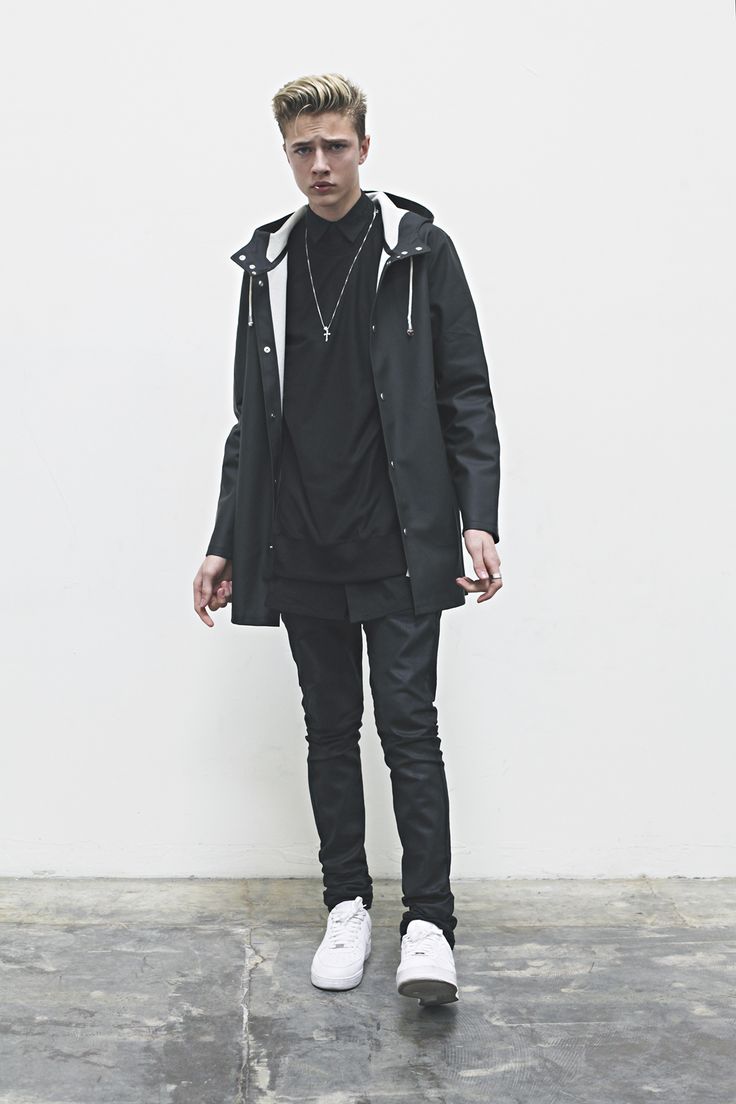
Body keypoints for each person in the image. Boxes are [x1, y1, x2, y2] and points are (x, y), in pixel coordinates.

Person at [192, 73, 502, 1007]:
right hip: (299, 539)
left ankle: (429, 924)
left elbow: (465, 392)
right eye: (303, 149)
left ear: (365, 147)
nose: (320, 164)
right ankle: (347, 905)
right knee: (329, 731)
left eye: (335, 145)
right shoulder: (267, 264)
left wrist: (478, 517)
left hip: (401, 536)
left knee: (410, 730)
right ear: (285, 154)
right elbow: (250, 420)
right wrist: (225, 539)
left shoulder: (419, 249)